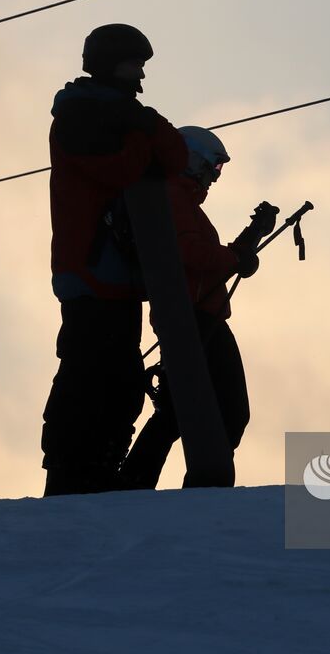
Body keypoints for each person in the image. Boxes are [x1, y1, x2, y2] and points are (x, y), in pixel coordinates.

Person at [42, 23, 188, 495]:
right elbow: (124, 167)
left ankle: (102, 466)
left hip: (120, 278)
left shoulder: (125, 114)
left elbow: (175, 156)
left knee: (122, 382)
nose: (141, 78)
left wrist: (141, 128)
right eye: (134, 65)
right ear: (108, 63)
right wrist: (143, 130)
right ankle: (69, 470)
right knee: (86, 375)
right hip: (89, 271)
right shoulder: (77, 117)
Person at [119, 127, 268, 490]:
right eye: (213, 167)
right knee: (227, 411)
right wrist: (235, 256)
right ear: (193, 160)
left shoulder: (181, 202)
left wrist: (248, 242)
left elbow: (203, 259)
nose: (214, 177)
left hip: (195, 317)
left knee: (179, 411)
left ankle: (136, 486)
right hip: (194, 319)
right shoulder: (172, 198)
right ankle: (197, 488)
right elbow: (189, 254)